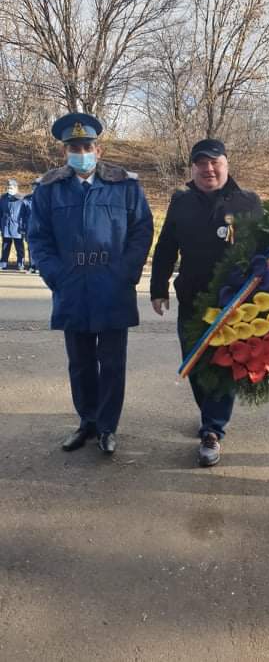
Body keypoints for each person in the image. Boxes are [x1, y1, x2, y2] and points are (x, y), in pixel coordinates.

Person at [28, 113, 153, 454]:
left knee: (112, 363)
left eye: (87, 147)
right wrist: (56, 275)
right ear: (65, 152)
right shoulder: (49, 189)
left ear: (99, 150)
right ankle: (88, 421)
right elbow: (38, 238)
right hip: (72, 288)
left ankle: (108, 427)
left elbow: (142, 230)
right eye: (74, 147)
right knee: (80, 363)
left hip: (112, 287)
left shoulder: (125, 186)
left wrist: (126, 272)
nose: (81, 153)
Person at [150, 139, 262, 467]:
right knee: (195, 363)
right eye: (201, 163)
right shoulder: (181, 201)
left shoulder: (248, 201)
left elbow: (265, 250)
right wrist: (158, 289)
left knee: (223, 365)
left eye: (214, 162)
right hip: (192, 297)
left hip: (233, 303)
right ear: (193, 167)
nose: (208, 169)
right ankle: (208, 415)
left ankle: (213, 430)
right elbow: (166, 246)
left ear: (226, 164)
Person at [0, 178, 26, 270]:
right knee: (5, 246)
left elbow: (25, 214)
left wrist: (23, 226)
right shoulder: (3, 198)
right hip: (6, 226)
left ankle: (20, 263)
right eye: (8, 187)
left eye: (11, 187)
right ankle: (3, 263)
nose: (9, 189)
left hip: (18, 227)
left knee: (19, 247)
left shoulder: (22, 199)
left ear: (16, 188)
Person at [22, 177, 42, 273]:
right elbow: (22, 215)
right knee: (30, 248)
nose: (34, 188)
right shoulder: (26, 199)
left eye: (36, 186)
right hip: (29, 228)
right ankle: (32, 266)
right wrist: (22, 227)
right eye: (33, 186)